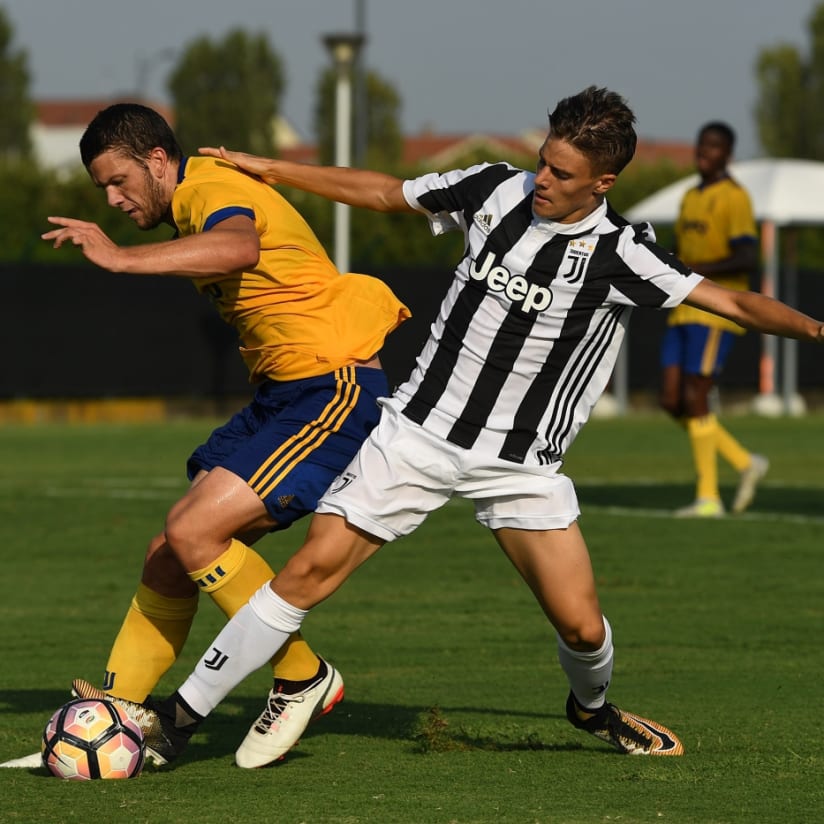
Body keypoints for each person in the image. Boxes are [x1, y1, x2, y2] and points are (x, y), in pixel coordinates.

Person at [72, 87, 824, 766]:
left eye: (563, 175)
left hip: (521, 466)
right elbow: (381, 193)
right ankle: (176, 719)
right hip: (416, 437)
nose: (544, 182)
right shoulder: (495, 187)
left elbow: (732, 303)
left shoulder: (622, 254)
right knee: (304, 576)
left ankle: (592, 711)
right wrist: (273, 167)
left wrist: (816, 332)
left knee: (584, 630)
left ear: (604, 182)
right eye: (543, 162)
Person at [41, 103, 410, 768]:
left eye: (119, 181)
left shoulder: (207, 189)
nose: (115, 198)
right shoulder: (193, 197)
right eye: (103, 190)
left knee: (192, 533)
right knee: (169, 552)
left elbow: (240, 245)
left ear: (158, 160)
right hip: (285, 396)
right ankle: (119, 715)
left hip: (333, 387)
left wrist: (121, 259)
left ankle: (301, 675)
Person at [660, 121, 768, 518]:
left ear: (728, 154)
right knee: (671, 400)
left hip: (715, 313)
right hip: (682, 310)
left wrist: (695, 268)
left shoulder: (734, 198)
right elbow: (679, 250)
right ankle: (744, 462)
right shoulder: (689, 196)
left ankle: (708, 497)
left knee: (696, 396)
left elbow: (747, 257)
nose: (704, 152)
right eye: (701, 145)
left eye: (714, 147)